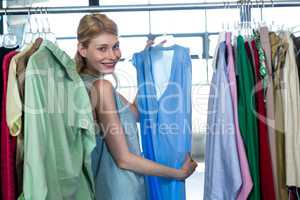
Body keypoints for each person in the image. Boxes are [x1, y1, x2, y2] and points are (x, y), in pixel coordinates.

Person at [75, 13, 197, 200]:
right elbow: (124, 159)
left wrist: (147, 67)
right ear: (82, 49)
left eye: (115, 46)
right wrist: (178, 173)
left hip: (117, 189)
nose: (112, 55)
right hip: (120, 191)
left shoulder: (88, 84)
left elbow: (137, 113)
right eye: (102, 48)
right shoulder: (101, 88)